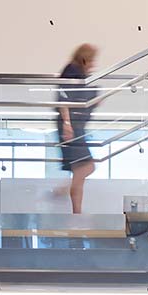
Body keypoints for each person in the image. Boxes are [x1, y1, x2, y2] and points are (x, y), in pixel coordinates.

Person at [56, 44, 100, 215]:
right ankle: (73, 206)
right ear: (84, 59)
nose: (93, 64)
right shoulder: (72, 71)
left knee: (82, 170)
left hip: (74, 126)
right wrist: (67, 124)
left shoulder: (80, 75)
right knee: (85, 169)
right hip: (71, 127)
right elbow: (63, 97)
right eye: (91, 60)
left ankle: (76, 211)